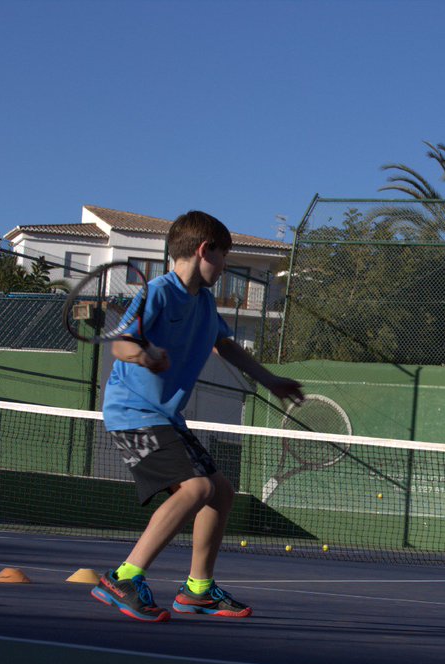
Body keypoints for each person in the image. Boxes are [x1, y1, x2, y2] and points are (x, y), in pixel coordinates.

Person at [92, 210, 304, 622]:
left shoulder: (203, 302)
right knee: (194, 490)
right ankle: (124, 578)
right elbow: (120, 345)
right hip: (133, 413)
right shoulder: (157, 293)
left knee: (219, 491)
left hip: (165, 417)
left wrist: (270, 380)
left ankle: (198, 589)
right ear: (204, 251)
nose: (225, 267)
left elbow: (225, 346)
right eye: (224, 257)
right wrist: (144, 353)